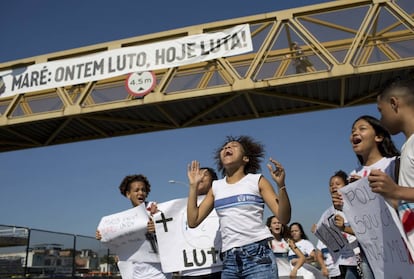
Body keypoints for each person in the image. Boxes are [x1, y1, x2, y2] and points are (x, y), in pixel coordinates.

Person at [186, 135, 292, 279]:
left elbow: (284, 218)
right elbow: (193, 221)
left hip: (258, 256)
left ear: (245, 158)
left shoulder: (257, 181)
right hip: (229, 260)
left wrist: (281, 186)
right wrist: (193, 187)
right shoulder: (216, 187)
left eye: (233, 146)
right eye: (224, 148)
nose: (227, 148)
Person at [335, 115, 400, 279]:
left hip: (396, 247)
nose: (354, 133)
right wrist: (344, 206)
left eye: (361, 129)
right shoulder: (353, 175)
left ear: (378, 137)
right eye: (352, 131)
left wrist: (371, 190)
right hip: (368, 251)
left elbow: (403, 202)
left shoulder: (393, 163)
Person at [369, 76, 414, 255]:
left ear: (394, 103)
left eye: (381, 110)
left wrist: (395, 191)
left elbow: (401, 193)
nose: (381, 119)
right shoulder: (407, 146)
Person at [96, 174, 170, 279]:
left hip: (158, 272)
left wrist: (158, 228)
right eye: (137, 190)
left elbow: (171, 233)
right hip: (136, 272)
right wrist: (102, 235)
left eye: (143, 190)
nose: (141, 193)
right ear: (128, 194)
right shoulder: (125, 220)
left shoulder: (156, 210)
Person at [175, 167, 222, 279]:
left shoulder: (221, 200)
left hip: (219, 269)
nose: (199, 177)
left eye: (204, 175)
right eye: (197, 174)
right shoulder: (178, 208)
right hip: (190, 273)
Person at [315, 170, 359, 279]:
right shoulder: (328, 214)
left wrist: (344, 228)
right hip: (343, 261)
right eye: (331, 185)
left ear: (346, 186)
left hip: (360, 256)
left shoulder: (355, 207)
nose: (333, 187)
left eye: (338, 184)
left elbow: (364, 231)